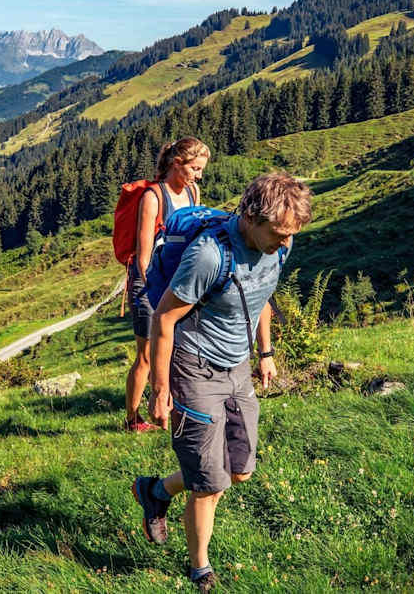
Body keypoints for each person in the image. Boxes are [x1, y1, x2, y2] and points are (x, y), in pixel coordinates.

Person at [130, 172, 312, 592]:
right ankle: (200, 569)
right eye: (279, 233)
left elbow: (263, 294)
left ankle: (156, 490)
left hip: (238, 368)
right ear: (250, 215)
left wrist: (265, 353)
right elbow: (164, 318)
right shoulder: (210, 256)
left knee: (239, 471)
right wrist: (161, 392)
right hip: (195, 370)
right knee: (209, 484)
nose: (285, 243)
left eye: (291, 234)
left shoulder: (279, 244)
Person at [124, 136, 210, 432]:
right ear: (177, 164)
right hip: (150, 283)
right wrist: (158, 295)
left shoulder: (193, 192)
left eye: (200, 170)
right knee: (147, 354)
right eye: (195, 168)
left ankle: (169, 407)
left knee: (176, 349)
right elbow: (144, 259)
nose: (198, 175)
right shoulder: (153, 197)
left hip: (178, 281)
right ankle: (133, 419)